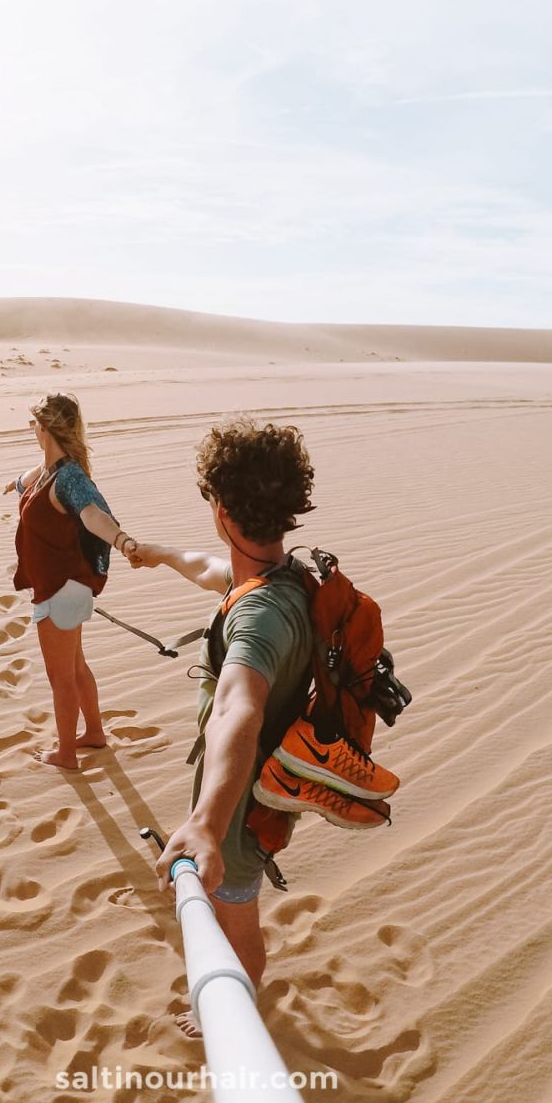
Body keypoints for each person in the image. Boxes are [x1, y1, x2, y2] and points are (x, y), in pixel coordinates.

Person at [128, 417, 328, 1029]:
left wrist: (209, 826)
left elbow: (238, 709)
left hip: (239, 813)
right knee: (225, 903)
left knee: (234, 912)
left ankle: (238, 1015)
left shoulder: (259, 620)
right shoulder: (282, 578)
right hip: (245, 793)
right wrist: (157, 555)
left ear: (219, 508)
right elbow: (213, 572)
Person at [5, 393, 137, 771]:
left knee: (60, 676)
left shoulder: (69, 479)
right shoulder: (53, 469)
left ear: (44, 429)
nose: (32, 430)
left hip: (62, 588)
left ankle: (65, 754)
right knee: (76, 667)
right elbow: (34, 476)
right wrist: (14, 483)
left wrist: (123, 541)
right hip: (63, 585)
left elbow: (93, 514)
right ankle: (93, 733)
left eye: (34, 424)